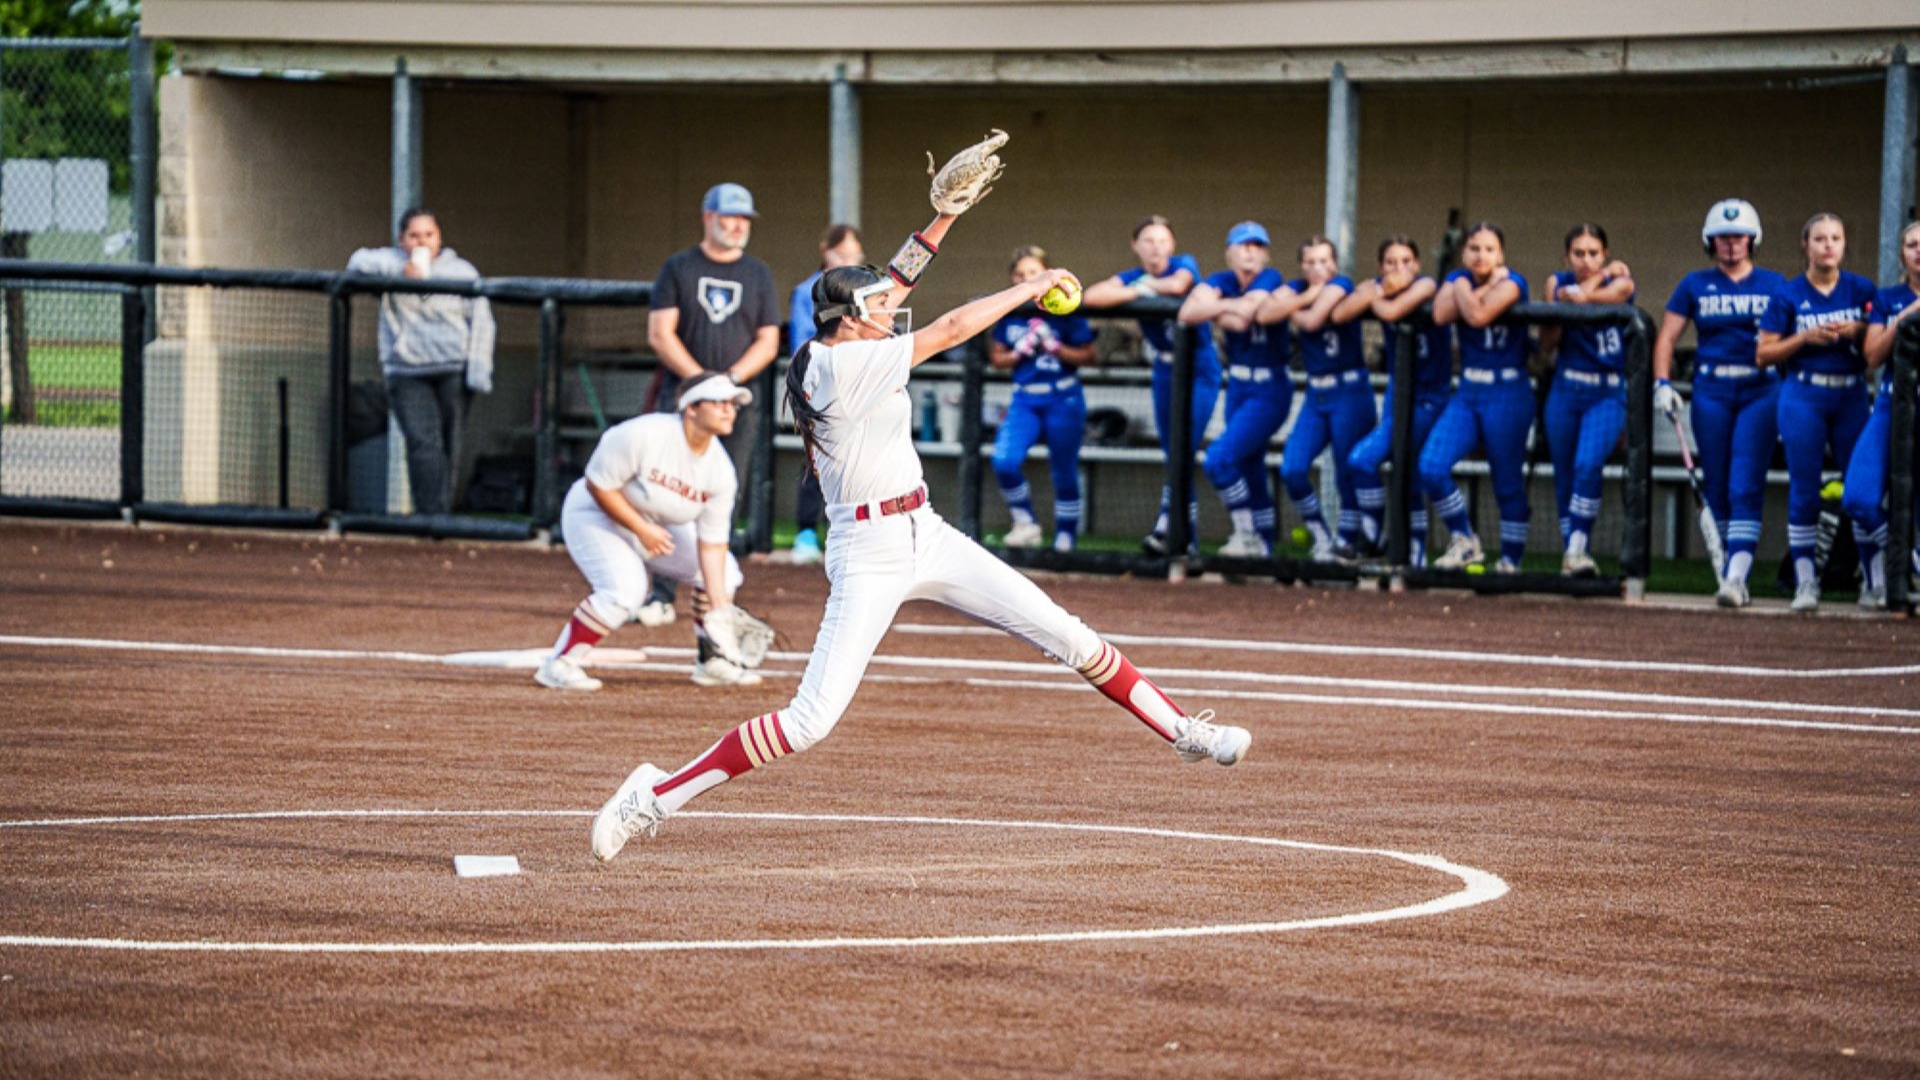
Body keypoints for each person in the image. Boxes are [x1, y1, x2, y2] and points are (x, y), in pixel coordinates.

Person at [589, 200, 1250, 862]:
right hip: (868, 552)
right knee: (808, 721)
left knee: (1069, 635)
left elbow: (898, 279)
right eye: (876, 307)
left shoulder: (853, 336)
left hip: (923, 529)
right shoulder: (838, 364)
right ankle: (651, 798)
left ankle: (1183, 731)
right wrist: (1030, 286)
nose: (890, 309)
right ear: (849, 319)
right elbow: (954, 325)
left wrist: (943, 217)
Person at [536, 373, 760, 691]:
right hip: (593, 514)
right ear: (690, 408)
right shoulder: (644, 434)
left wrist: (719, 609)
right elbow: (598, 485)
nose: (729, 410)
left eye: (733, 404)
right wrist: (641, 529)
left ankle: (712, 660)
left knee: (724, 577)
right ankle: (559, 663)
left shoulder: (720, 471)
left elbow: (712, 547)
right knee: (626, 590)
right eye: (719, 402)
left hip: (655, 524)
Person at [639, 182, 781, 627]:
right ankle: (659, 593)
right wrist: (701, 382)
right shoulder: (679, 267)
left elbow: (769, 339)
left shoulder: (758, 273)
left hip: (735, 403)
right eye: (729, 217)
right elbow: (661, 333)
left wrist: (730, 381)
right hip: (683, 400)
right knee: (665, 491)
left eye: (744, 219)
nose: (737, 226)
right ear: (708, 217)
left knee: (723, 493)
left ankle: (712, 593)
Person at [1654, 198, 1787, 608]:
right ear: (1710, 242)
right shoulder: (1694, 284)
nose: (1731, 245)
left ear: (1753, 240)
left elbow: (1791, 339)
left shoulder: (1775, 283)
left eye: (1739, 237)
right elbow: (1667, 337)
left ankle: (1735, 576)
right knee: (1716, 482)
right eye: (1723, 238)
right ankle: (1729, 569)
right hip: (1711, 391)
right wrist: (1662, 381)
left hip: (1760, 390)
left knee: (1745, 480)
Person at [1757, 212, 1877, 613]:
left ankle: (1872, 578)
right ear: (1805, 245)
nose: (1828, 246)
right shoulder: (1788, 294)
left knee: (1860, 487)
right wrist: (1804, 337)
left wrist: (1857, 330)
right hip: (1803, 393)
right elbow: (1764, 353)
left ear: (1844, 245)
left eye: (1836, 238)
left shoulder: (1861, 289)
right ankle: (1806, 580)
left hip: (1851, 394)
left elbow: (1878, 345)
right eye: (1820, 239)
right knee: (1804, 487)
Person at [1082, 216, 1221, 555]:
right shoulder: (1136, 277)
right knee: (1173, 449)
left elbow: (1177, 285)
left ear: (1171, 244)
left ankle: (1167, 525)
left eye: (1161, 240)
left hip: (1199, 368)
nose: (1155, 247)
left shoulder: (1183, 264)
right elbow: (1093, 296)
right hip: (1164, 368)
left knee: (1184, 449)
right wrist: (1139, 289)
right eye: (1147, 240)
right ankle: (1183, 538)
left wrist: (1139, 290)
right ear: (1135, 246)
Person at [346, 209, 495, 516]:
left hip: (454, 370)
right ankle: (430, 517)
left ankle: (441, 515)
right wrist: (403, 275)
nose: (422, 241)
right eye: (414, 235)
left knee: (449, 448)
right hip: (407, 372)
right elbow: (356, 264)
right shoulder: (390, 264)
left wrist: (478, 372)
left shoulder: (463, 272)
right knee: (422, 443)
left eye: (429, 234)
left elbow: (482, 322)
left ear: (440, 237)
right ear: (402, 239)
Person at [1419, 221, 1533, 572]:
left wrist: (1461, 289)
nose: (1481, 255)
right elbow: (1440, 314)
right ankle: (1465, 538)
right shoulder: (1459, 280)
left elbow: (1478, 315)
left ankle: (1511, 561)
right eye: (1474, 248)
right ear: (1464, 252)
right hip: (1469, 391)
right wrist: (1464, 283)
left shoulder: (1514, 281)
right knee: (1431, 465)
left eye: (1489, 249)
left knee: (1506, 479)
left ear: (1501, 255)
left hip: (1508, 390)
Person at [1259, 236, 1376, 562]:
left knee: (1345, 471)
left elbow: (1312, 320)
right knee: (1292, 468)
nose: (1318, 268)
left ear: (1335, 264)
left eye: (1324, 261)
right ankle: (1321, 537)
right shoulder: (1299, 286)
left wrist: (1295, 304)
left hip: (1350, 391)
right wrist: (1305, 296)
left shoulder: (1341, 283)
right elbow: (1266, 313)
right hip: (1316, 393)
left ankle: (1348, 541)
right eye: (1310, 262)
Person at [1177, 222, 1288, 557]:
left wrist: (1217, 309)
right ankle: (1263, 544)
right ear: (1229, 251)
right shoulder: (1221, 281)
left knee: (1219, 458)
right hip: (1238, 384)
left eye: (1257, 246)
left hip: (1270, 386)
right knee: (1250, 463)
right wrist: (1228, 305)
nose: (1250, 251)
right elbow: (1188, 312)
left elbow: (1241, 320)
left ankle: (1246, 532)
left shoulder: (1271, 279)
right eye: (1243, 245)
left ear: (1266, 253)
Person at [1342, 236, 1451, 566]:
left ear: (1416, 265)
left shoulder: (1428, 285)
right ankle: (1383, 540)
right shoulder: (1377, 286)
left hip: (1430, 398)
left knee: (1378, 463)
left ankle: (1403, 548)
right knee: (1386, 466)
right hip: (1397, 393)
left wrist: (1374, 294)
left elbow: (1391, 310)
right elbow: (1341, 312)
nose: (1398, 269)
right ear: (1380, 267)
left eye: (1406, 261)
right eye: (1390, 263)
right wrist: (1374, 290)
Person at [1538, 224, 1636, 577]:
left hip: (1607, 390)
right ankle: (1572, 555)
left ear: (1605, 252)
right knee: (1564, 473)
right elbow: (1559, 313)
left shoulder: (1622, 281)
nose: (1587, 260)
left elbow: (1595, 298)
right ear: (1567, 255)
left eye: (1594, 253)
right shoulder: (1557, 281)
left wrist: (1598, 282)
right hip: (1565, 388)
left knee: (1587, 464)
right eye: (1578, 253)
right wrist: (1598, 278)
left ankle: (1578, 545)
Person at [988, 245, 1098, 551]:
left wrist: (1055, 347)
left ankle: (1066, 535)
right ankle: (1025, 522)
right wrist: (1018, 352)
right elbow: (997, 358)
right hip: (1025, 399)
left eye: (1033, 273)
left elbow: (1090, 355)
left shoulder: (1064, 308)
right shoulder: (1009, 312)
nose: (1026, 279)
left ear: (1046, 274)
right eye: (1020, 274)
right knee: (1004, 460)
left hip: (1063, 396)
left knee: (1063, 468)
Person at [1842, 220, 1920, 606]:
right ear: (1901, 253)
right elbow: (1872, 356)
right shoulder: (1889, 298)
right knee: (1858, 495)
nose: (1919, 251)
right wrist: (1911, 314)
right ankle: (1904, 560)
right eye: (1912, 244)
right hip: (1892, 404)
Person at [786, 224, 866, 567]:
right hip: (819, 384)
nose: (847, 261)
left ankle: (853, 535)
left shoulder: (863, 291)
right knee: (816, 459)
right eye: (840, 255)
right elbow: (802, 341)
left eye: (853, 256)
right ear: (825, 251)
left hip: (857, 385)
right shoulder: (807, 291)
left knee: (859, 460)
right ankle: (806, 532)